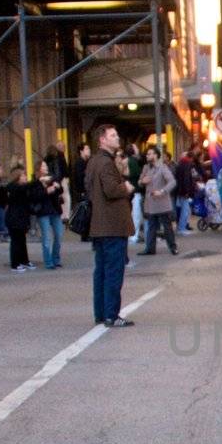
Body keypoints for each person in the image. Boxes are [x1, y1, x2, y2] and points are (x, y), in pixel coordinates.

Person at [86, 123, 136, 325]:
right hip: (112, 224)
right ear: (102, 140)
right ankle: (111, 314)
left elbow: (90, 188)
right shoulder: (106, 163)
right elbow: (111, 190)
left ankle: (101, 312)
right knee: (114, 270)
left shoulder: (93, 162)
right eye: (113, 135)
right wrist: (126, 187)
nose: (117, 138)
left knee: (101, 271)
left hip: (100, 224)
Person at [139, 145, 178, 256]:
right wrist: (142, 181)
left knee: (167, 227)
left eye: (150, 153)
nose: (147, 155)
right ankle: (150, 249)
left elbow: (172, 182)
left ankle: (173, 247)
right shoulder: (146, 168)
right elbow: (139, 182)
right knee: (151, 227)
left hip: (162, 203)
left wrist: (162, 191)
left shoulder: (163, 167)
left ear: (156, 155)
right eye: (147, 154)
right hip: (150, 204)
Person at [4, 164, 38, 271]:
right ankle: (15, 263)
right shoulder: (14, 187)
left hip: (22, 217)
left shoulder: (21, 188)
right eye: (23, 175)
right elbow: (24, 187)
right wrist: (38, 180)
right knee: (16, 241)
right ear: (18, 177)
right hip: (14, 218)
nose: (25, 177)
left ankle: (24, 260)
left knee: (22, 240)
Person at [35, 160, 64, 268]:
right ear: (39, 169)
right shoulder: (36, 181)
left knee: (58, 234)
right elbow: (35, 196)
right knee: (46, 237)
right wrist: (46, 191)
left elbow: (60, 191)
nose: (46, 167)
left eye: (46, 165)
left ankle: (56, 258)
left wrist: (57, 186)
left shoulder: (52, 178)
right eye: (43, 166)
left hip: (55, 210)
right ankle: (48, 261)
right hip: (43, 211)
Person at [175, 149, 197, 236]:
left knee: (182, 209)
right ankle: (182, 228)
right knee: (185, 210)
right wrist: (187, 191)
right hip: (184, 191)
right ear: (191, 158)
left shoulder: (180, 163)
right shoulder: (187, 164)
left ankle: (180, 227)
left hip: (179, 190)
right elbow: (186, 179)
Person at [125, 142, 144, 242]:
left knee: (136, 214)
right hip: (136, 190)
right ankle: (134, 235)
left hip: (133, 190)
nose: (138, 149)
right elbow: (137, 174)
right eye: (136, 148)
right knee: (136, 214)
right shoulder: (133, 161)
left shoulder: (131, 161)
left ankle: (135, 234)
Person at [71, 140, 91, 205]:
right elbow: (79, 179)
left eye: (89, 148)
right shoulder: (79, 163)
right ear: (81, 151)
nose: (89, 150)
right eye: (87, 149)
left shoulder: (87, 162)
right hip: (82, 193)